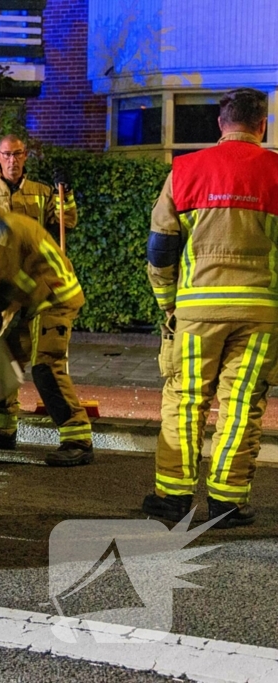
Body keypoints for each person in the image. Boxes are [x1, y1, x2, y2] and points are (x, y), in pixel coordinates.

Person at [142, 87, 278, 529]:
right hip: (261, 314)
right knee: (241, 405)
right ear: (262, 124)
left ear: (221, 123)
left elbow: (161, 249)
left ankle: (174, 498)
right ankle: (227, 503)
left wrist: (169, 303)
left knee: (185, 401)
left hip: (197, 310)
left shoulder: (185, 171)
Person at [0, 175, 93, 467]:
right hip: (29, 297)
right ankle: (1, 429)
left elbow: (11, 284)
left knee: (45, 367)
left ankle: (78, 440)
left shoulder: (6, 233)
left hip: (54, 298)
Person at [0, 135, 78, 412]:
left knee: (22, 350)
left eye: (18, 154)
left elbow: (65, 223)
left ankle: (3, 411)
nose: (13, 160)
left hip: (30, 284)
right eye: (7, 155)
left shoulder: (43, 191)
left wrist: (65, 195)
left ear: (25, 156)